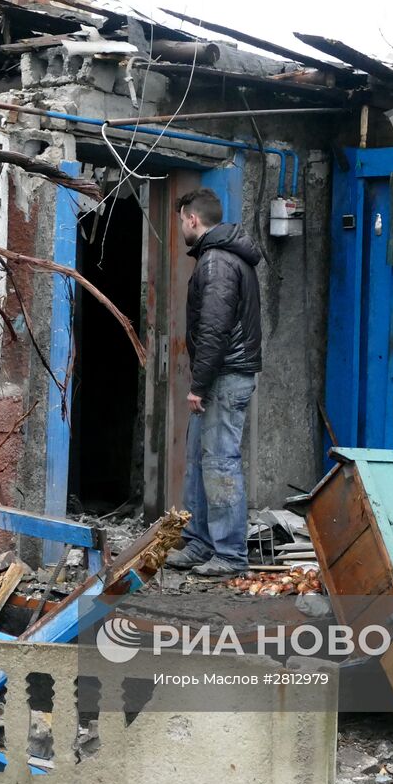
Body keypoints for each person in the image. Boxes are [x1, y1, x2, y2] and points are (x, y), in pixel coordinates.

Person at [165, 188, 262, 578]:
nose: (180, 228)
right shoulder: (219, 257)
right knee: (198, 462)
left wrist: (199, 385)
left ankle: (230, 555)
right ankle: (200, 542)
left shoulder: (216, 262)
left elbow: (215, 329)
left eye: (180, 221)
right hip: (223, 376)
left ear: (192, 218)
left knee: (220, 463)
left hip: (224, 377)